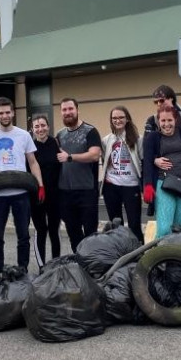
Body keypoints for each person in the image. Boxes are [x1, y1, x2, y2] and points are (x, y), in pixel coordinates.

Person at [0, 98, 44, 271]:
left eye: (8, 112)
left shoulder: (24, 135)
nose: (5, 115)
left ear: (13, 113)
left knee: (23, 235)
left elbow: (33, 162)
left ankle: (22, 269)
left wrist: (40, 185)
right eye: (1, 113)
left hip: (21, 193)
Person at [142, 105, 181, 239]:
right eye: (163, 121)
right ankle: (160, 258)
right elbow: (146, 161)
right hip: (164, 184)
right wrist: (148, 184)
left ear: (175, 120)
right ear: (158, 121)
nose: (166, 124)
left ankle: (176, 259)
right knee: (164, 229)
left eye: (170, 120)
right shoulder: (152, 137)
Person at [56, 98, 103, 251]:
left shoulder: (90, 131)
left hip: (87, 190)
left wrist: (70, 157)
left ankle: (93, 265)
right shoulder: (59, 135)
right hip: (65, 192)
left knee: (90, 233)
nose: (68, 112)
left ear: (77, 110)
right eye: (64, 110)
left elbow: (95, 155)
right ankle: (79, 264)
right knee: (73, 232)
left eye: (70, 109)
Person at [101, 105, 144, 243]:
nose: (117, 120)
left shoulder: (138, 139)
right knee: (115, 225)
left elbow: (143, 161)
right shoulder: (106, 140)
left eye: (121, 117)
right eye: (114, 118)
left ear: (127, 119)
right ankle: (118, 254)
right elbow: (104, 160)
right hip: (111, 186)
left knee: (134, 224)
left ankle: (138, 255)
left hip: (131, 186)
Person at [29, 113, 62, 264]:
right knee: (41, 231)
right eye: (37, 126)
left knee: (54, 231)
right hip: (37, 197)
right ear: (32, 129)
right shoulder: (29, 148)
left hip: (55, 196)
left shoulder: (56, 143)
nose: (40, 129)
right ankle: (41, 266)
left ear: (48, 127)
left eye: (43, 125)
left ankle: (55, 264)